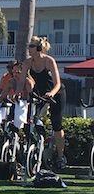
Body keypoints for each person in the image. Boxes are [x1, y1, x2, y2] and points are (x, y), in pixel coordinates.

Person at [22, 35, 66, 168]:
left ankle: (60, 156)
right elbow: (20, 82)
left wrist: (51, 93)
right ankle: (38, 143)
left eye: (32, 46)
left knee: (56, 123)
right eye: (29, 46)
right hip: (39, 94)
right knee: (29, 119)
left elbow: (57, 83)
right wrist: (18, 94)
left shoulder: (49, 61)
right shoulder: (27, 63)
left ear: (39, 48)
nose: (29, 48)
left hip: (56, 93)